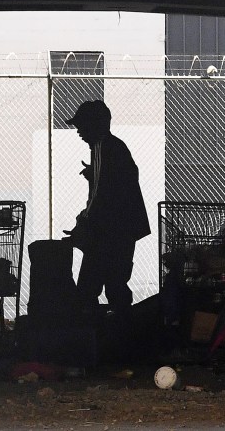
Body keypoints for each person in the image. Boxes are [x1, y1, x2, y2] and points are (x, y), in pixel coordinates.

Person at [62, 100, 150, 320]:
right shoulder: (115, 147)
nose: (79, 131)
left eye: (82, 125)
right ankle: (123, 336)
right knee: (116, 283)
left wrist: (82, 222)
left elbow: (100, 196)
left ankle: (92, 337)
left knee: (88, 287)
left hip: (109, 231)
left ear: (95, 125)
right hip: (122, 229)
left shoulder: (102, 147)